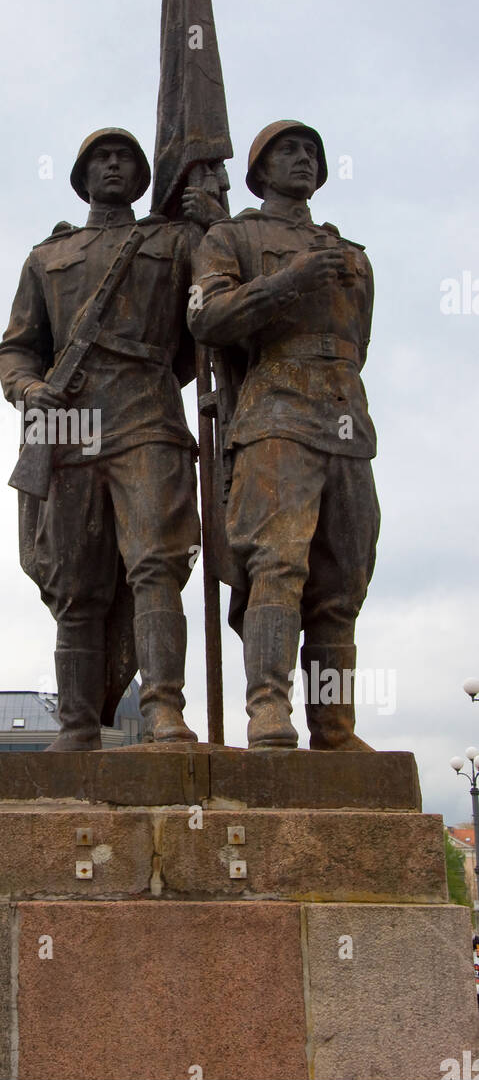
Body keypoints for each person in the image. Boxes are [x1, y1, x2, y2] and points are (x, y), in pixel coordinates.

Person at [0, 128, 201, 748]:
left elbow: (206, 327)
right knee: (75, 583)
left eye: (125, 159)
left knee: (156, 565)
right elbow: (18, 350)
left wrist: (210, 218)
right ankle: (77, 723)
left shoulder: (175, 243)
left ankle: (164, 710)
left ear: (142, 178)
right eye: (100, 159)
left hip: (147, 414)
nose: (113, 166)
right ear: (82, 176)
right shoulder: (46, 257)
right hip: (66, 425)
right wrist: (30, 391)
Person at [188, 120, 379, 750]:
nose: (302, 159)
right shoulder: (231, 236)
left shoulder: (351, 252)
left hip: (346, 421)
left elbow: (359, 343)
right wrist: (289, 281)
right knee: (278, 563)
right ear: (259, 169)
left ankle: (335, 727)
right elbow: (209, 317)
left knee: (342, 583)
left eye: (311, 152)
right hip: (274, 415)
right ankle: (268, 709)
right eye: (287, 151)